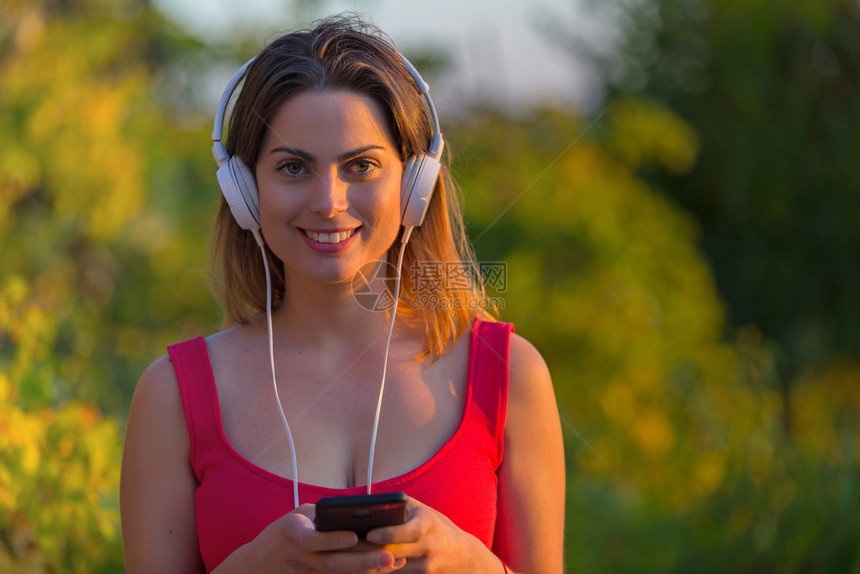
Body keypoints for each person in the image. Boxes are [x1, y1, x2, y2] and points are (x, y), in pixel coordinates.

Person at [120, 14, 565, 574]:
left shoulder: (510, 374)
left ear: (413, 185)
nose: (328, 201)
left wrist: (475, 566)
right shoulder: (172, 397)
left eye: (361, 166)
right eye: (293, 168)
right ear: (244, 190)